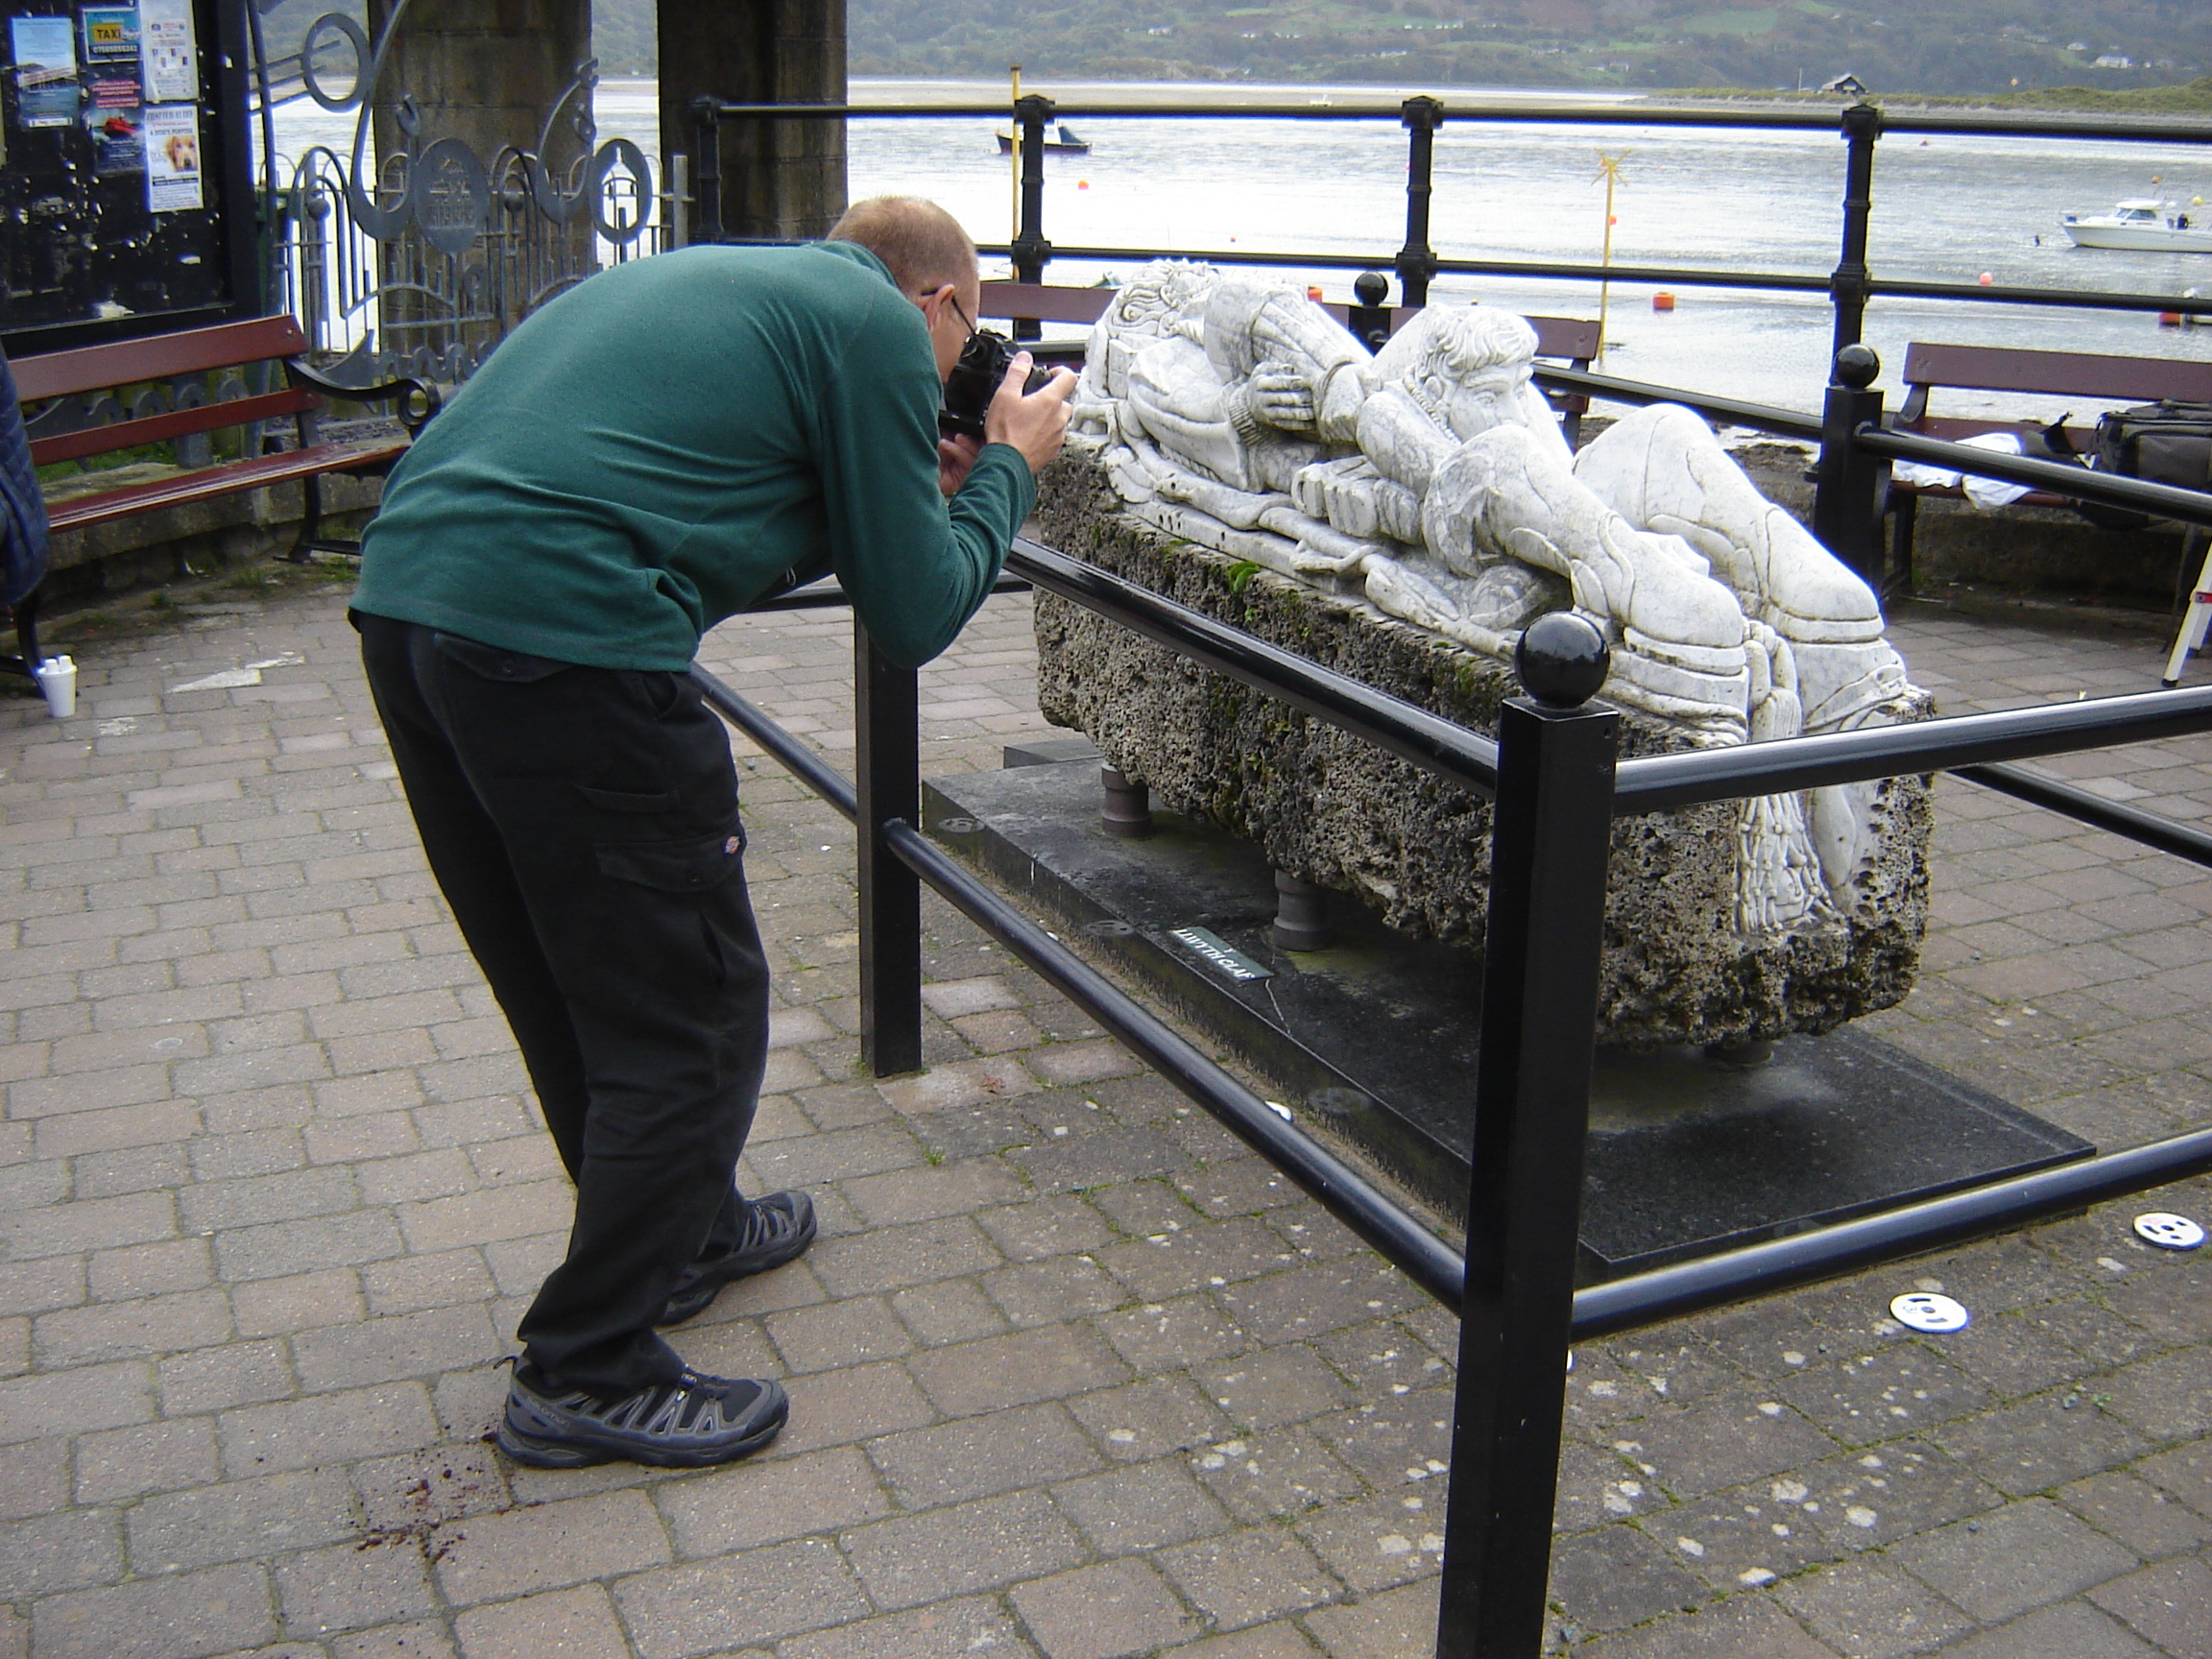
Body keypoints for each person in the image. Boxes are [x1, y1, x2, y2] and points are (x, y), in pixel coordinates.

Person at [349, 197, 1074, 1469]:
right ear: (942, 304)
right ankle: (586, 1368)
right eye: (967, 353)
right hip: (567, 638)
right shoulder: (867, 318)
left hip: (413, 608)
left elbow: (703, 516)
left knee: (577, 984)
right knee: (695, 1015)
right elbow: (913, 618)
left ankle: (684, 1232)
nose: (958, 380)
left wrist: (911, 488)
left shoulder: (747, 286)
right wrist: (1008, 462)